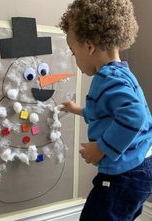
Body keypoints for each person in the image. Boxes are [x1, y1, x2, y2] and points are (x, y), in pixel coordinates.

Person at [59, 0, 152, 220]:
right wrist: (79, 110)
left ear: (89, 47)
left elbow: (135, 116)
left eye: (74, 52)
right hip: (140, 166)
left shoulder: (108, 79)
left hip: (127, 173)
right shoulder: (121, 73)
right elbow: (110, 113)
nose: (75, 59)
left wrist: (100, 148)